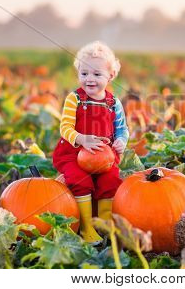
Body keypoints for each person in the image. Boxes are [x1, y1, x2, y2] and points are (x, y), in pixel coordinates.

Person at [52, 41, 129, 243]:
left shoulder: (113, 103)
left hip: (103, 157)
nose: (89, 79)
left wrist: (121, 141)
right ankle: (87, 227)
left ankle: (104, 224)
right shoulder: (74, 99)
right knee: (80, 180)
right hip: (73, 154)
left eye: (97, 74)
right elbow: (65, 127)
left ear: (110, 76)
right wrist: (81, 138)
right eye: (84, 74)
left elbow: (122, 129)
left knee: (110, 180)